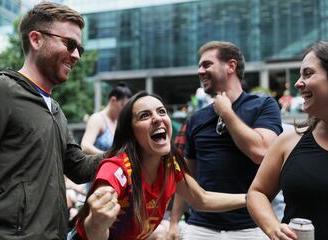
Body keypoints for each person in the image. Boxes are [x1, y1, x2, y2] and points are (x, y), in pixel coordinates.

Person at [0, 2, 106, 239]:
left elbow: (77, 167)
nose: (76, 55)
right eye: (70, 44)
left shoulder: (55, 108)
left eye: (80, 49)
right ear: (36, 39)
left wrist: (129, 148)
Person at [69, 91, 247, 240]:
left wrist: (250, 199)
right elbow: (94, 233)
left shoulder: (171, 164)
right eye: (144, 115)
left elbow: (201, 199)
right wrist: (97, 223)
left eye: (162, 111)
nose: (157, 118)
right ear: (131, 133)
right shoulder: (116, 169)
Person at [168, 41, 283, 240]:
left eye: (206, 64)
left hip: (252, 228)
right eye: (199, 66)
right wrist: (174, 222)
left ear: (231, 66)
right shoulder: (195, 119)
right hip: (200, 228)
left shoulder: (263, 105)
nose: (200, 71)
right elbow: (186, 178)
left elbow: (261, 153)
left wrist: (227, 113)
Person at [247, 41, 328, 240]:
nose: (297, 83)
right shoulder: (289, 140)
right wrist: (273, 228)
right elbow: (256, 193)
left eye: (308, 74)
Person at [81, 83, 132, 155]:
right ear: (113, 100)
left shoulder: (118, 122)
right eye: (122, 105)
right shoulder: (97, 118)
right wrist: (109, 157)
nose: (124, 111)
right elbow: (85, 146)